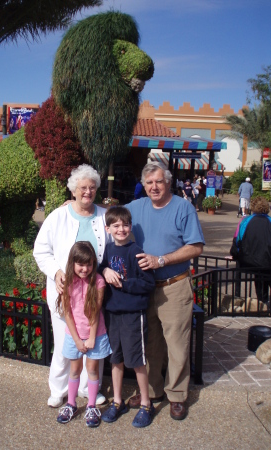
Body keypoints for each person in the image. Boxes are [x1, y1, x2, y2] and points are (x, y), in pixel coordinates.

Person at [123, 162, 204, 420]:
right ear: (143, 185)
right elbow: (108, 215)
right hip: (145, 288)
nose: (154, 187)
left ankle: (177, 396)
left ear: (168, 182)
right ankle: (152, 391)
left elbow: (195, 247)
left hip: (174, 286)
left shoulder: (183, 207)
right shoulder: (136, 208)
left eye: (158, 181)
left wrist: (161, 260)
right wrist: (75, 203)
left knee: (177, 344)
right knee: (151, 344)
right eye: (149, 183)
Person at [33, 164, 112, 408]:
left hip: (93, 293)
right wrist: (56, 272)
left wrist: (107, 268)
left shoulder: (104, 215)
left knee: (93, 341)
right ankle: (59, 389)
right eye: (82, 188)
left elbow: (116, 243)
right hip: (64, 292)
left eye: (91, 188)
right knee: (65, 343)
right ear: (73, 191)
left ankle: (90, 389)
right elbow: (41, 250)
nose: (87, 192)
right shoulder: (58, 215)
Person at [99, 207, 156, 428]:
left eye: (125, 225)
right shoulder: (109, 249)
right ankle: (118, 401)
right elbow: (102, 267)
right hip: (113, 313)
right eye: (116, 226)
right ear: (108, 229)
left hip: (133, 314)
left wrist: (123, 282)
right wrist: (105, 272)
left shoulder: (136, 251)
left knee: (137, 360)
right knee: (116, 358)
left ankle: (145, 403)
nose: (121, 229)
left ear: (130, 227)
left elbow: (148, 283)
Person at [55, 242, 112, 427]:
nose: (85, 269)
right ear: (72, 263)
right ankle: (71, 403)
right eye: (80, 264)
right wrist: (78, 339)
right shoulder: (67, 283)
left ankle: (91, 405)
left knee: (93, 370)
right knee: (75, 369)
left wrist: (92, 337)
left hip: (96, 334)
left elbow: (95, 311)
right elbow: (68, 313)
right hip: (74, 335)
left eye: (89, 264)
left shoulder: (98, 281)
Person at [229, 196, 271, 304]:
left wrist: (234, 254)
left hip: (250, 260)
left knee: (259, 278)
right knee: (265, 275)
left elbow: (237, 240)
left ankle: (262, 302)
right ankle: (264, 301)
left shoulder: (246, 221)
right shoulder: (269, 221)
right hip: (267, 260)